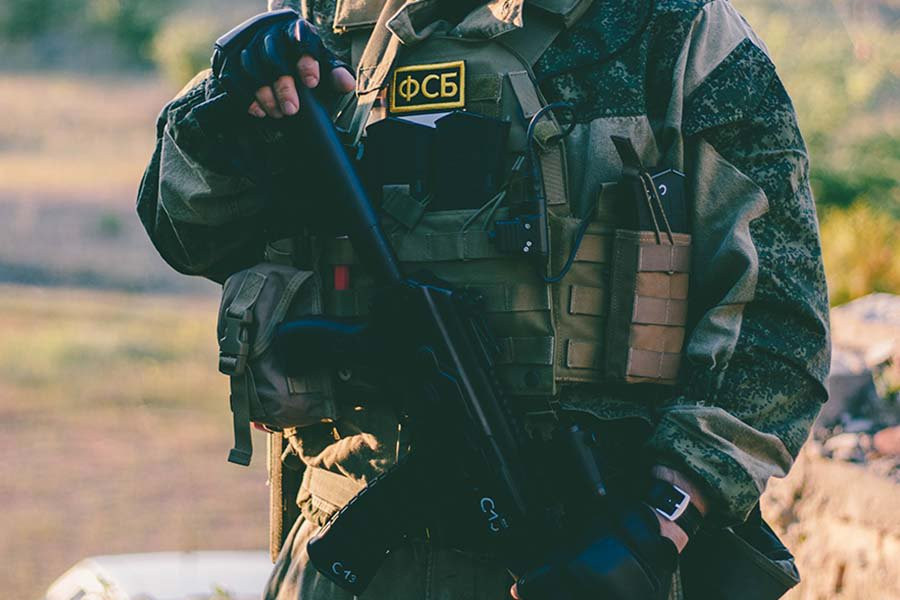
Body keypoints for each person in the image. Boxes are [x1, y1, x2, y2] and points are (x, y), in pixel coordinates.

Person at [137, 0, 830, 598]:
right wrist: (228, 108)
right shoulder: (326, 25)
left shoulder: (671, 29)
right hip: (346, 550)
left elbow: (780, 322)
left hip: (582, 558)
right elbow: (183, 230)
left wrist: (657, 526)